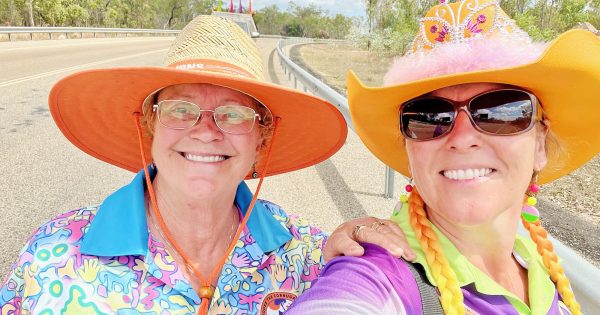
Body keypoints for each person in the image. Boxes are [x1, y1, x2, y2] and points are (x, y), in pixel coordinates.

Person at [0, 16, 413, 315]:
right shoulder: (54, 254)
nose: (205, 131)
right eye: (181, 109)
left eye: (233, 114)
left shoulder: (309, 258)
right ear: (150, 124)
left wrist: (361, 255)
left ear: (261, 138)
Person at [288, 0, 600, 314]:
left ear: (540, 145)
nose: (462, 139)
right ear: (409, 152)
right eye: (429, 116)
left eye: (500, 111)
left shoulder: (534, 262)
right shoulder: (378, 277)